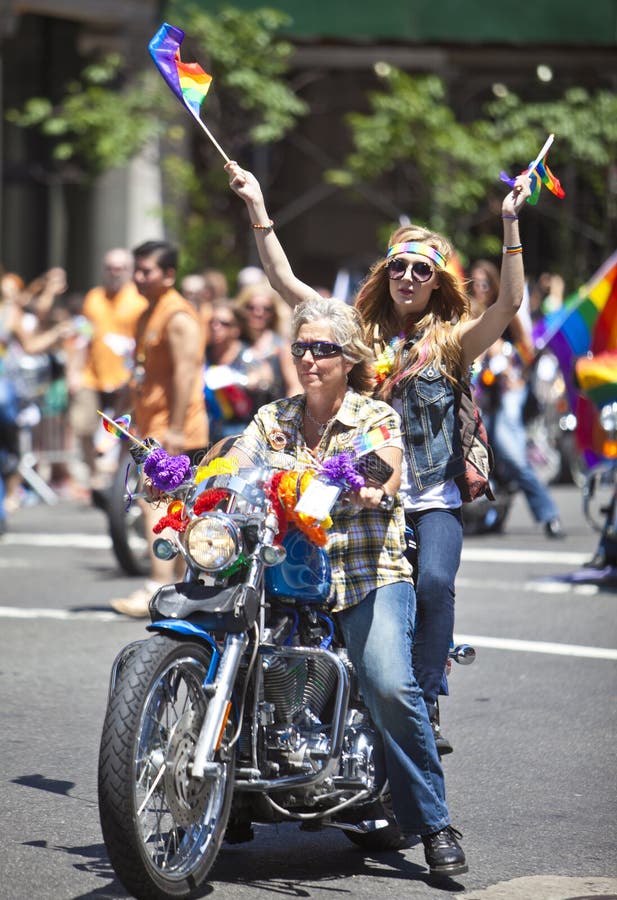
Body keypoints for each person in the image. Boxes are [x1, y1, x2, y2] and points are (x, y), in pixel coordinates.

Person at [225, 158, 532, 760]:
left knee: (436, 583)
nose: (409, 277)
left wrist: (509, 226)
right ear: (386, 275)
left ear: (436, 281)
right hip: (357, 497)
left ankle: (424, 696)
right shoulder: (356, 337)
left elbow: (508, 307)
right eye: (400, 267)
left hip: (428, 500)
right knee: (304, 598)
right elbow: (288, 285)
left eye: (422, 269)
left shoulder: (452, 343)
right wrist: (258, 206)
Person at [231, 294, 468, 878]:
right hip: (286, 574)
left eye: (323, 349)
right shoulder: (273, 419)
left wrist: (368, 484)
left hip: (366, 573)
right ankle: (231, 791)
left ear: (349, 356)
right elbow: (237, 466)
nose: (309, 359)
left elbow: (385, 465)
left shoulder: (374, 417)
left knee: (388, 682)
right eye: (301, 348)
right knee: (231, 650)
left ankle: (434, 823)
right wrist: (197, 482)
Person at [110, 240, 208, 617]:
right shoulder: (147, 312)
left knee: (161, 505)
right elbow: (142, 375)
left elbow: (186, 375)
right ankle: (181, 589)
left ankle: (157, 587)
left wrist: (179, 428)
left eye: (146, 271)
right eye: (137, 269)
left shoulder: (178, 315)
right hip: (151, 426)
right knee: (176, 506)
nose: (138, 277)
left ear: (169, 275)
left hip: (173, 428)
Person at [470, 259, 564, 539]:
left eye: (485, 283)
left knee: (510, 451)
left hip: (510, 392)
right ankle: (491, 513)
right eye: (474, 284)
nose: (479, 289)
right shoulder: (469, 313)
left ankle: (548, 513)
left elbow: (528, 351)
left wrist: (510, 364)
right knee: (480, 451)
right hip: (481, 395)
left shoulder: (504, 313)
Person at [69, 248, 148, 496]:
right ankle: (95, 475)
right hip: (92, 375)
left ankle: (117, 478)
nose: (115, 273)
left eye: (120, 268)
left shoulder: (138, 300)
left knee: (122, 431)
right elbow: (82, 337)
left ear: (129, 270)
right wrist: (74, 370)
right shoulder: (93, 298)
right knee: (81, 425)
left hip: (124, 380)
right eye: (110, 268)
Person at [234, 283, 300, 395]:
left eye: (266, 309)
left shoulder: (282, 345)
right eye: (251, 307)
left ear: (274, 313)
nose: (259, 313)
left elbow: (295, 387)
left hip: (271, 408)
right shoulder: (233, 341)